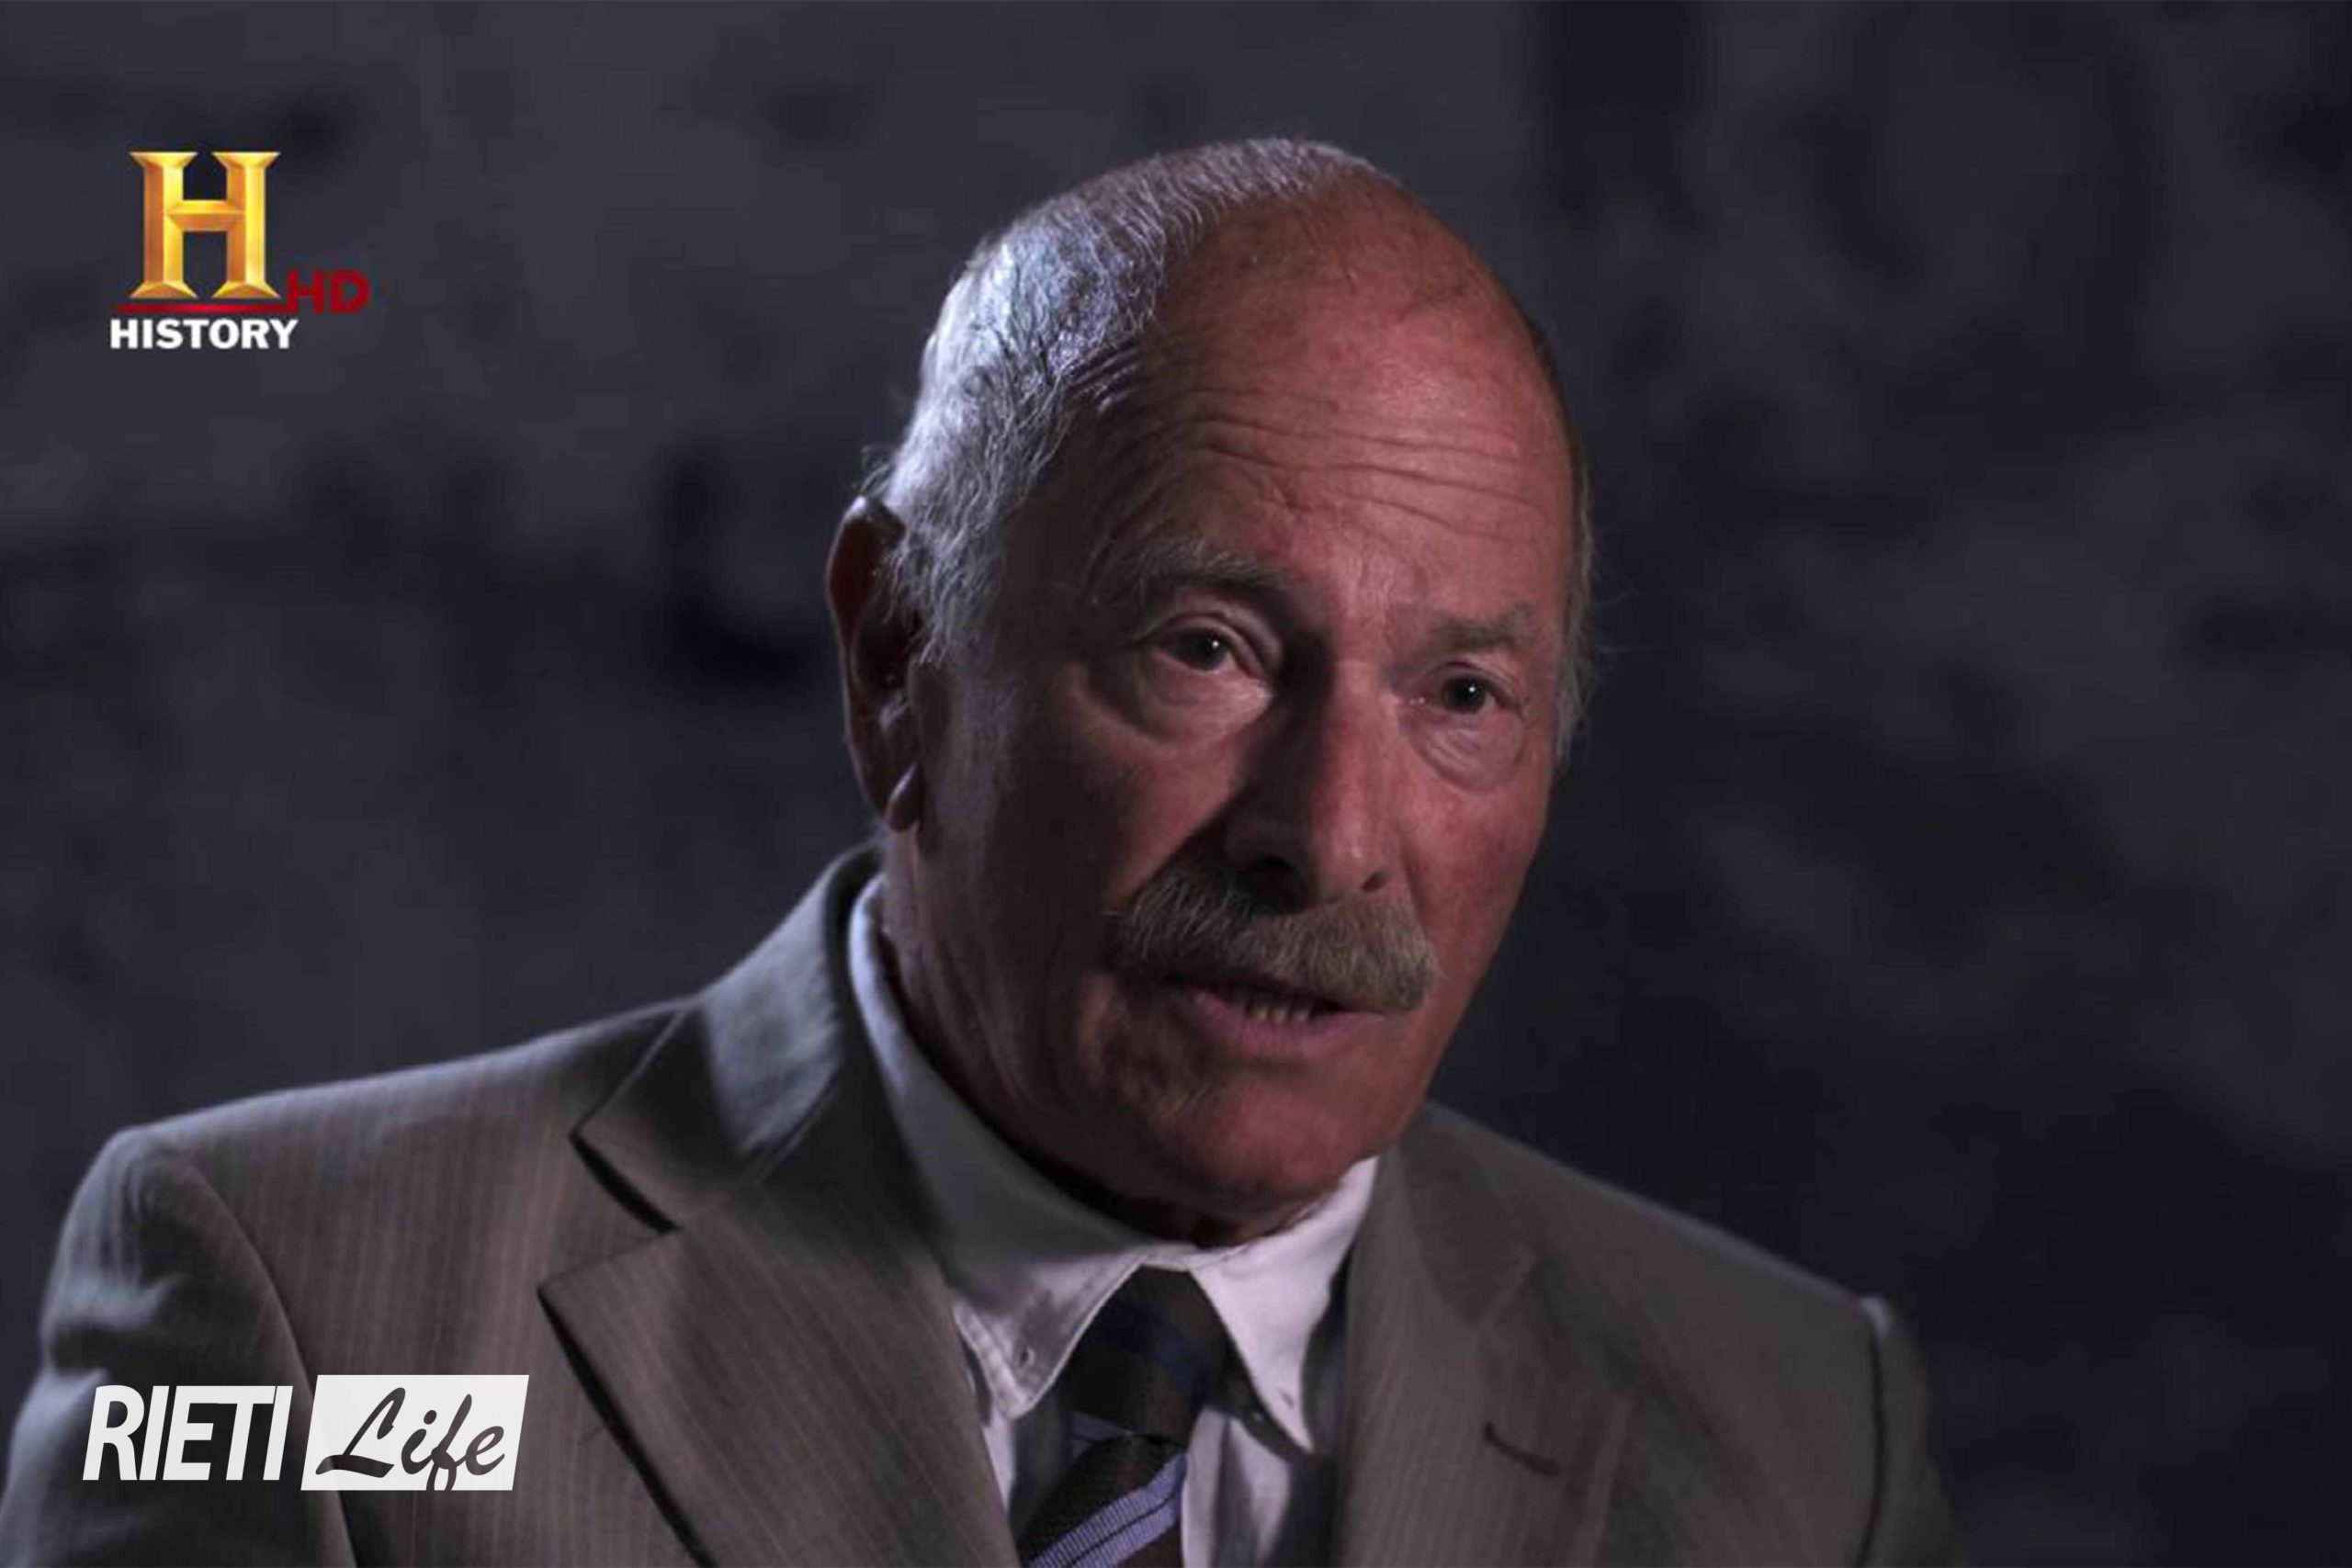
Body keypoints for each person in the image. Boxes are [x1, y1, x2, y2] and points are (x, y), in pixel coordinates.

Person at [0, 141, 1959, 1566]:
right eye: (1207, 648)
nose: (1331, 839)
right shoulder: (301, 1323)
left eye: (1459, 694)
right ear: (894, 660)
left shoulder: (1803, 1444)